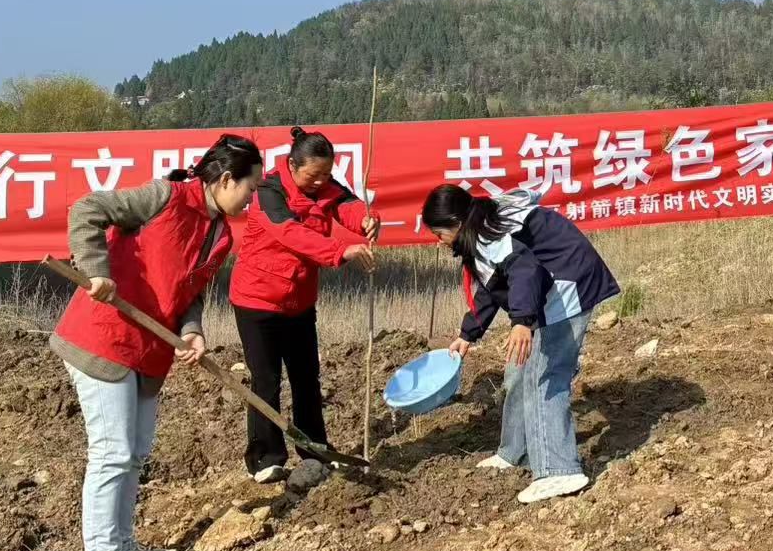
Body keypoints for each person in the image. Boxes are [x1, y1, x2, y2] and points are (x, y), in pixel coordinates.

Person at [49, 134, 264, 551]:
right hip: (103, 337)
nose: (251, 199)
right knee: (112, 451)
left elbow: (191, 293)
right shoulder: (164, 197)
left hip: (149, 352)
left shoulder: (221, 235)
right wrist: (97, 269)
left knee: (136, 453)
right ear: (227, 180)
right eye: (250, 188)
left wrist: (192, 331)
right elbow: (88, 208)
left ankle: (124, 549)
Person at [425, 184, 620, 505]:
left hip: (569, 287)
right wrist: (468, 333)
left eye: (439, 233)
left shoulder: (490, 235)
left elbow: (526, 271)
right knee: (518, 371)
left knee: (545, 376)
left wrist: (521, 322)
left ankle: (558, 469)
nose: (438, 241)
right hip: (547, 293)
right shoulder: (480, 226)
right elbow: (493, 285)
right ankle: (515, 451)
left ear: (457, 224)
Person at [228, 126, 378, 485]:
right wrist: (341, 250)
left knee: (307, 378)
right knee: (266, 380)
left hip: (299, 301)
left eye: (326, 174)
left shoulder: (326, 186)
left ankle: (315, 451)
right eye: (313, 175)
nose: (320, 181)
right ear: (293, 166)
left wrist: (366, 220)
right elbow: (291, 234)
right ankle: (266, 458)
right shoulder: (268, 191)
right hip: (258, 300)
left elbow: (347, 204)